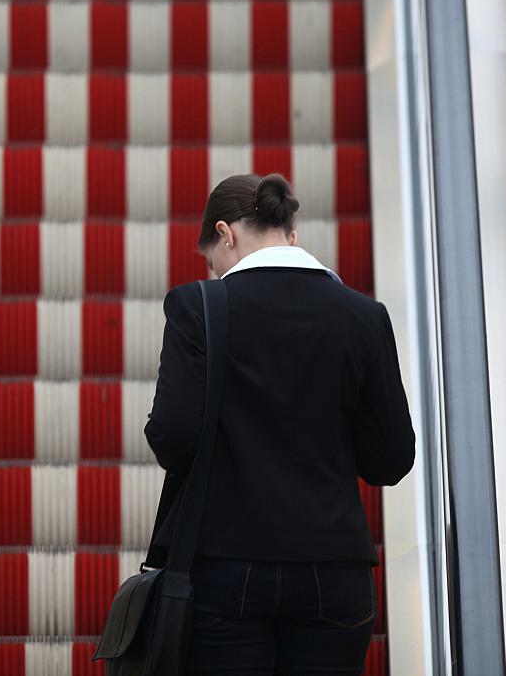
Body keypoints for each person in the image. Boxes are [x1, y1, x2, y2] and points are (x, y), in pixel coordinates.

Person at [143, 172, 416, 675]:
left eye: (212, 259)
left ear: (226, 234)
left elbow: (172, 437)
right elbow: (391, 459)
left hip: (225, 568)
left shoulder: (198, 307)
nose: (214, 270)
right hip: (335, 572)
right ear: (291, 234)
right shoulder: (364, 316)